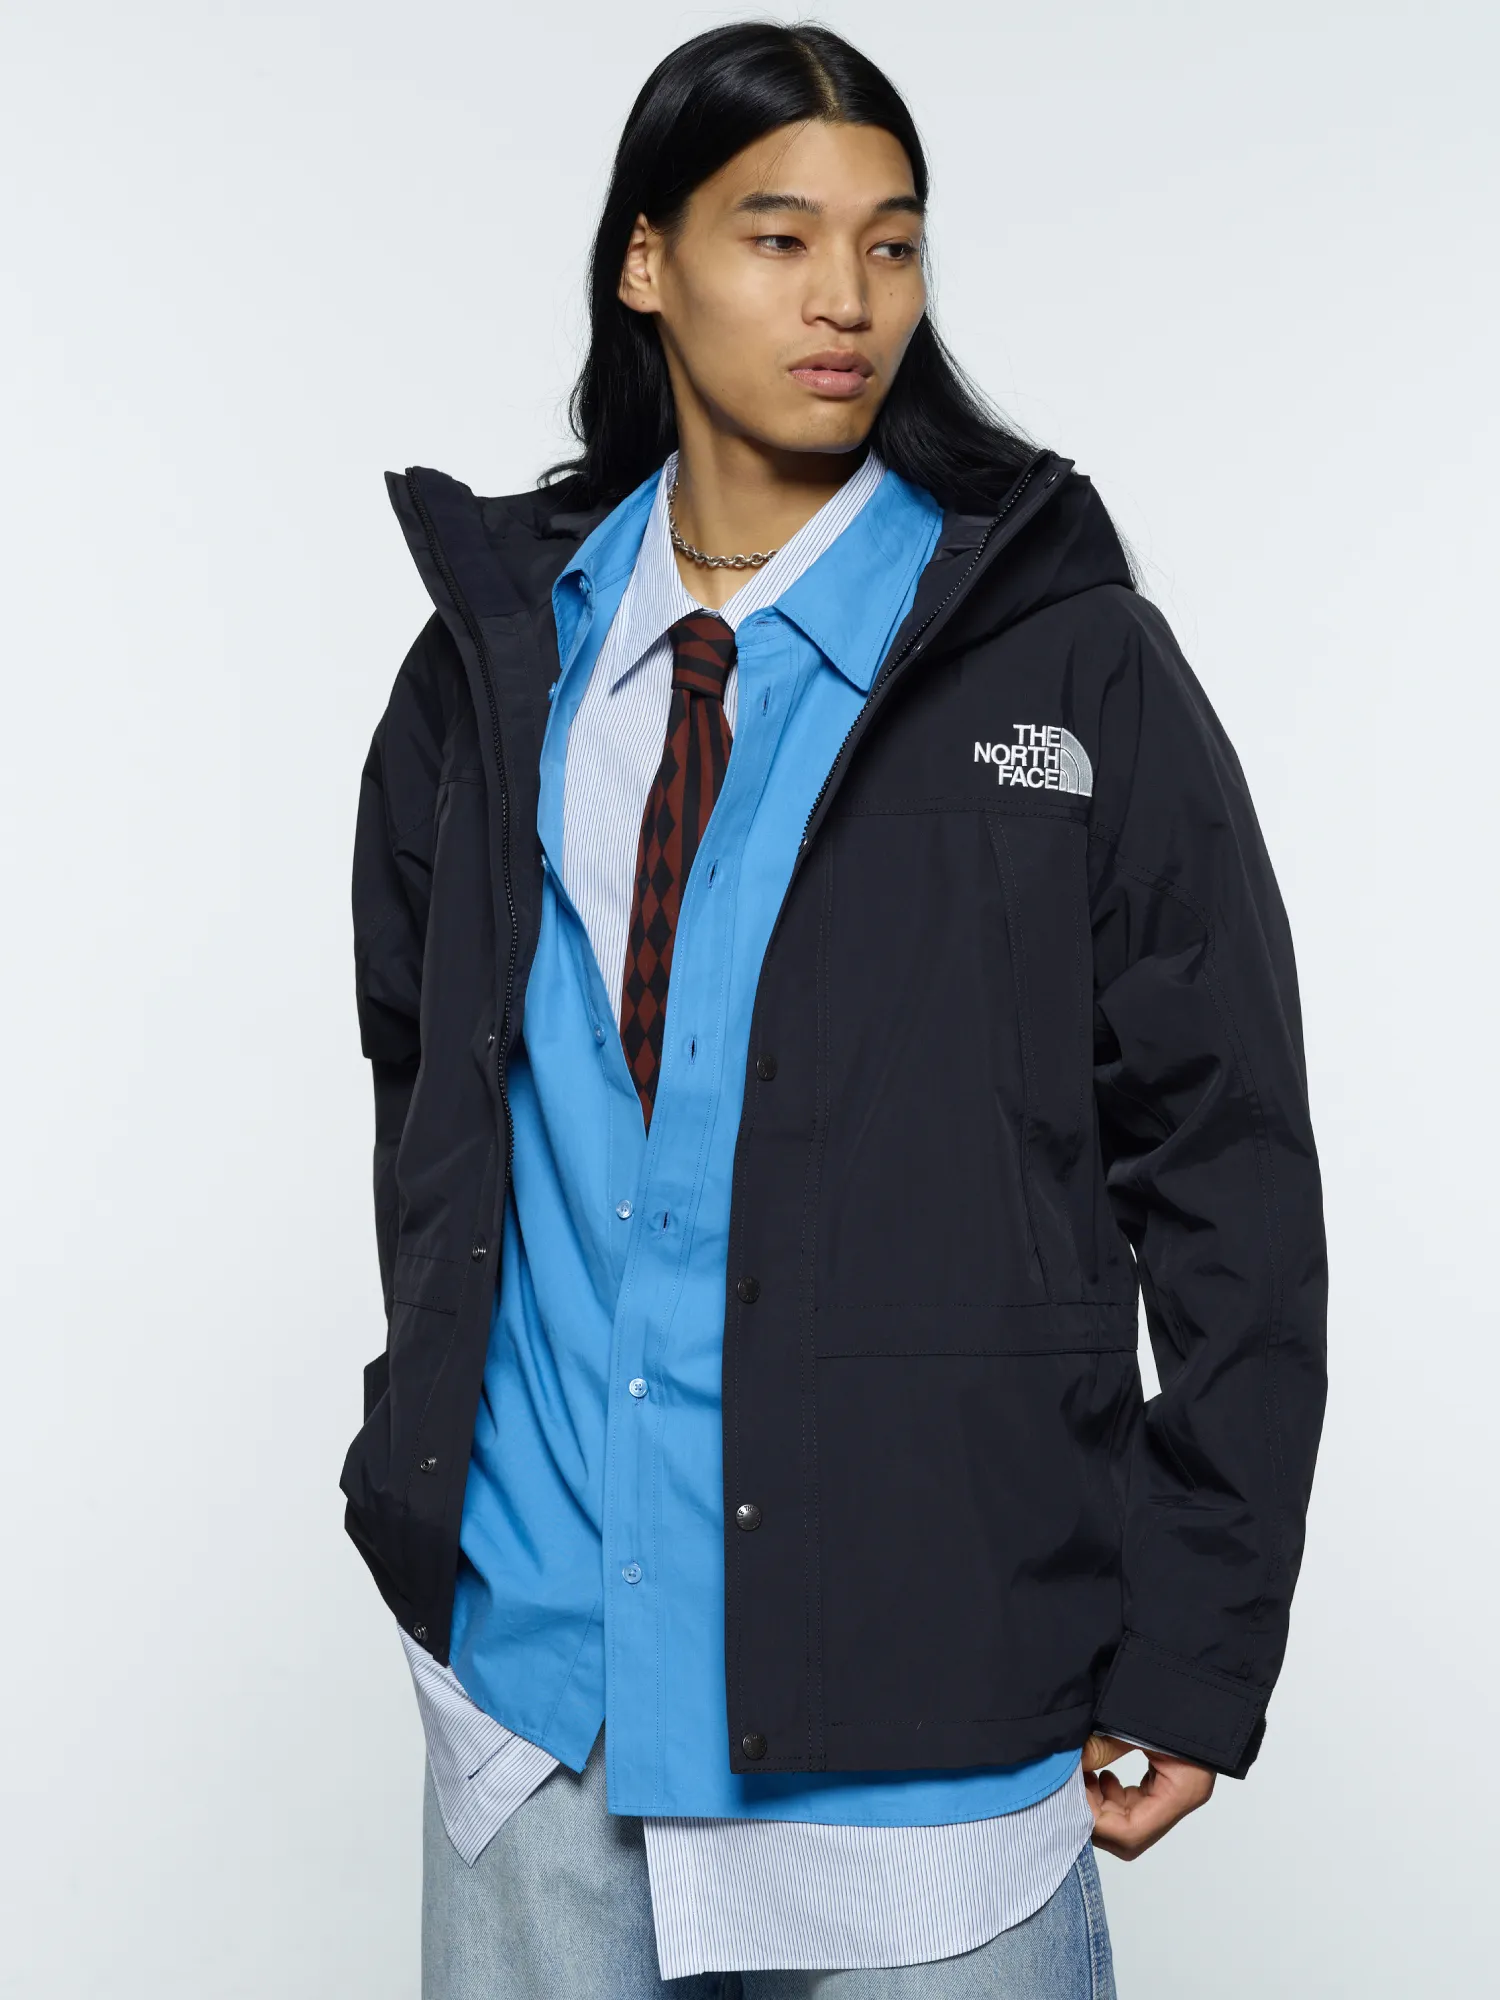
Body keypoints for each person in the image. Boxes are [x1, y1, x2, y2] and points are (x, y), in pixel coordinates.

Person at [341, 22, 1327, 1998]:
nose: (846, 299)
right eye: (778, 236)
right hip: (541, 1713)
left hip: (925, 1727)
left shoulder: (1070, 666)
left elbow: (1227, 1165)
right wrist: (430, 1476)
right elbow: (435, 1102)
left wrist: (1198, 1641)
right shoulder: (492, 670)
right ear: (646, 261)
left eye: (892, 243)